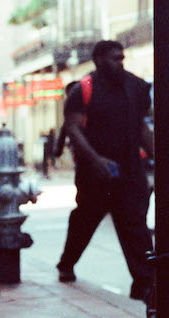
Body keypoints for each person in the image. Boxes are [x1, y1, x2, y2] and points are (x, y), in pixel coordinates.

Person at [56, 40, 154, 304]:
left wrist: (160, 156)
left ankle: (145, 283)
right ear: (98, 60)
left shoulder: (136, 86)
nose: (119, 63)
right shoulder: (83, 89)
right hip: (94, 173)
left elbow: (141, 127)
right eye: (114, 58)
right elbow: (73, 128)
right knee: (85, 220)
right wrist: (95, 160)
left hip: (130, 169)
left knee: (134, 225)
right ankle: (67, 263)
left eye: (122, 58)